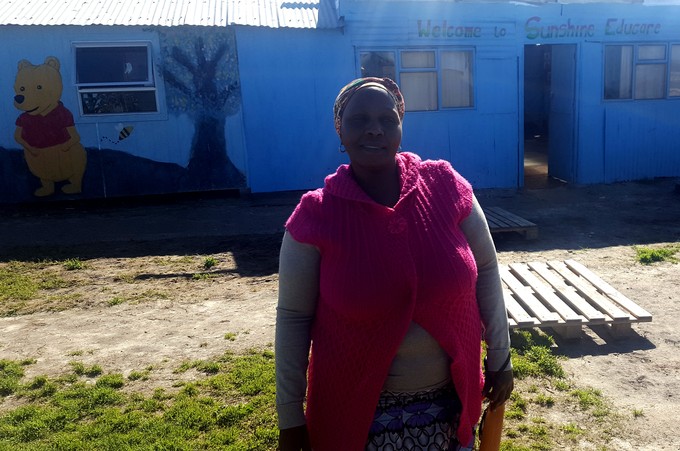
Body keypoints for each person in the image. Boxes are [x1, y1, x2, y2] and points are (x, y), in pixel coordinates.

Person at [275, 77, 514, 451]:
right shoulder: (316, 216)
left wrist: (500, 358)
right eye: (359, 119)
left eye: (388, 118)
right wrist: (290, 416)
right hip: (356, 420)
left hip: (450, 411)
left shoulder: (446, 186)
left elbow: (486, 269)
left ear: (402, 124)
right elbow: (292, 316)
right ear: (339, 129)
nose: (374, 128)